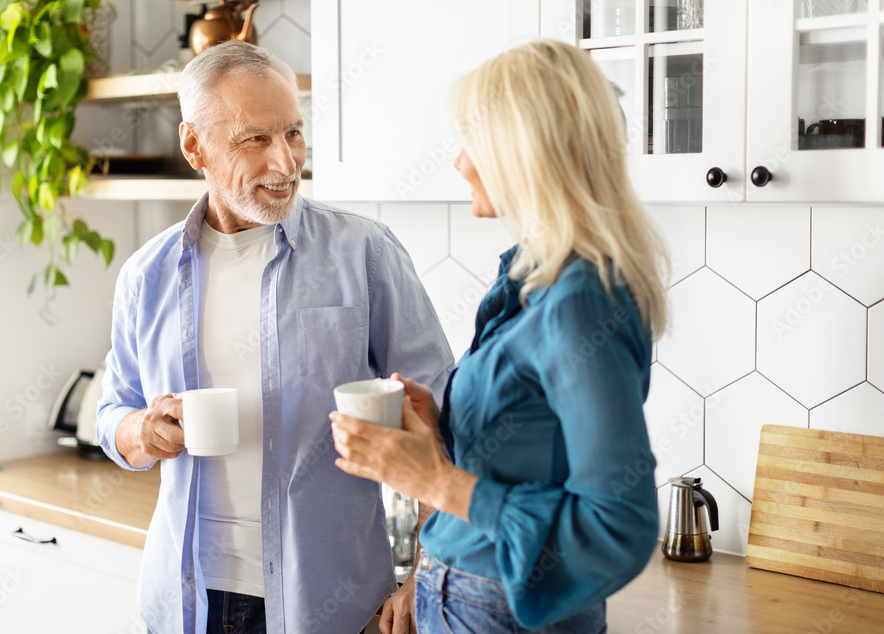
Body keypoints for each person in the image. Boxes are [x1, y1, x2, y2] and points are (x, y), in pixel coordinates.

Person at [96, 41, 454, 634]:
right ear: (194, 146)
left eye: (293, 133)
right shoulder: (146, 275)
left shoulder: (363, 252)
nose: (286, 163)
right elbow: (112, 414)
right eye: (255, 139)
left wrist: (429, 566)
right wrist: (144, 431)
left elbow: (440, 417)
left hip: (328, 603)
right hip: (187, 601)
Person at [330, 38, 669, 633]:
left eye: (473, 143)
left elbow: (620, 526)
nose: (460, 163)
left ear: (527, 152)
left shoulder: (578, 302)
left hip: (504, 610)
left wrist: (435, 481)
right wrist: (441, 429)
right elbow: (532, 451)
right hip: (465, 595)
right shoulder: (535, 279)